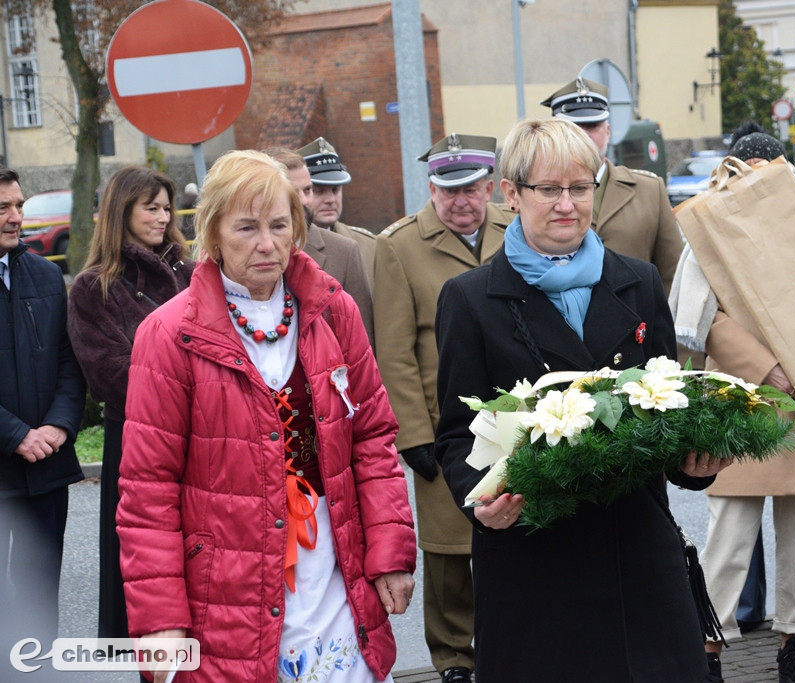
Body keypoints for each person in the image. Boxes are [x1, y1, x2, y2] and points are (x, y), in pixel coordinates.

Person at [434, 118, 729, 683]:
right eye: (549, 190)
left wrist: (697, 468)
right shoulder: (471, 300)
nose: (567, 205)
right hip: (533, 558)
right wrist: (480, 503)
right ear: (512, 193)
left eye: (580, 188)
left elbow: (669, 408)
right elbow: (455, 434)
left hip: (635, 553)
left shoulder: (638, 282)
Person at [116, 150, 416, 682]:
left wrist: (391, 550)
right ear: (211, 233)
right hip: (227, 583)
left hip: (332, 570)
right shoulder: (168, 335)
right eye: (247, 227)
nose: (266, 243)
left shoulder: (332, 311)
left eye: (279, 225)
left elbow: (372, 438)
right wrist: (160, 617)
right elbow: (148, 488)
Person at [683, 129, 795, 683]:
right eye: (747, 165)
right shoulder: (706, 226)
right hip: (735, 403)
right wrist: (765, 368)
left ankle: (793, 645)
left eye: (767, 166)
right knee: (728, 538)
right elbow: (699, 320)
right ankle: (706, 650)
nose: (755, 176)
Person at [373, 133, 515, 683]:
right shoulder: (399, 246)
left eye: (472, 190)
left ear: (489, 187)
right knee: (450, 552)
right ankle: (455, 659)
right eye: (448, 191)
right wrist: (412, 433)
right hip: (443, 426)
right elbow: (395, 347)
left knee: (517, 537)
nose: (461, 202)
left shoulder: (516, 226)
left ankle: (514, 646)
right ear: (431, 189)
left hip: (513, 416)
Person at [66, 166, 194, 641]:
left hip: (204, 434)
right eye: (151, 207)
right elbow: (111, 375)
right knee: (148, 576)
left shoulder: (192, 272)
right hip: (138, 439)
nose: (162, 217)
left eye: (166, 207)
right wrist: (194, 385)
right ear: (123, 211)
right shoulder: (94, 287)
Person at [0, 167, 86, 655]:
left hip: (45, 468)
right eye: (3, 208)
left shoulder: (47, 274)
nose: (17, 218)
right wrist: (15, 434)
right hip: (5, 462)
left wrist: (57, 424)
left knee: (37, 597)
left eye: (19, 205)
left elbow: (68, 361)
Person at [540, 77, 683, 294]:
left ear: (607, 131)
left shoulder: (649, 191)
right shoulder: (536, 193)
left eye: (593, 126)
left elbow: (673, 276)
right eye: (575, 126)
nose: (585, 135)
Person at [264, 146, 374, 344]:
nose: (304, 201)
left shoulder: (344, 252)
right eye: (292, 191)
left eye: (308, 190)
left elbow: (361, 343)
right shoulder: (242, 254)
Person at [299, 137, 377, 278]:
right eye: (318, 191)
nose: (330, 200)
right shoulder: (286, 246)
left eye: (335, 190)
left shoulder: (368, 245)